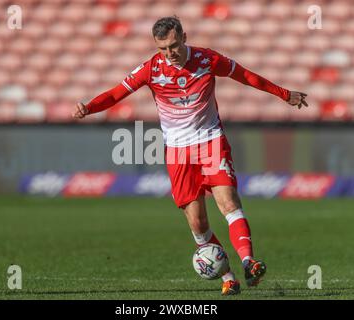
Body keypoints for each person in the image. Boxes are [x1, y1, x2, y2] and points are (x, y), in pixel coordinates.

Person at [72, 16, 308, 295]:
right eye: (163, 48)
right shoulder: (151, 69)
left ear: (184, 36)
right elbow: (116, 94)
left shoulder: (207, 60)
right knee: (198, 224)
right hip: (178, 152)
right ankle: (228, 277)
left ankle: (248, 262)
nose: (169, 53)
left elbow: (245, 76)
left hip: (210, 141)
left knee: (228, 202)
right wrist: (89, 107)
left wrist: (284, 94)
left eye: (173, 45)